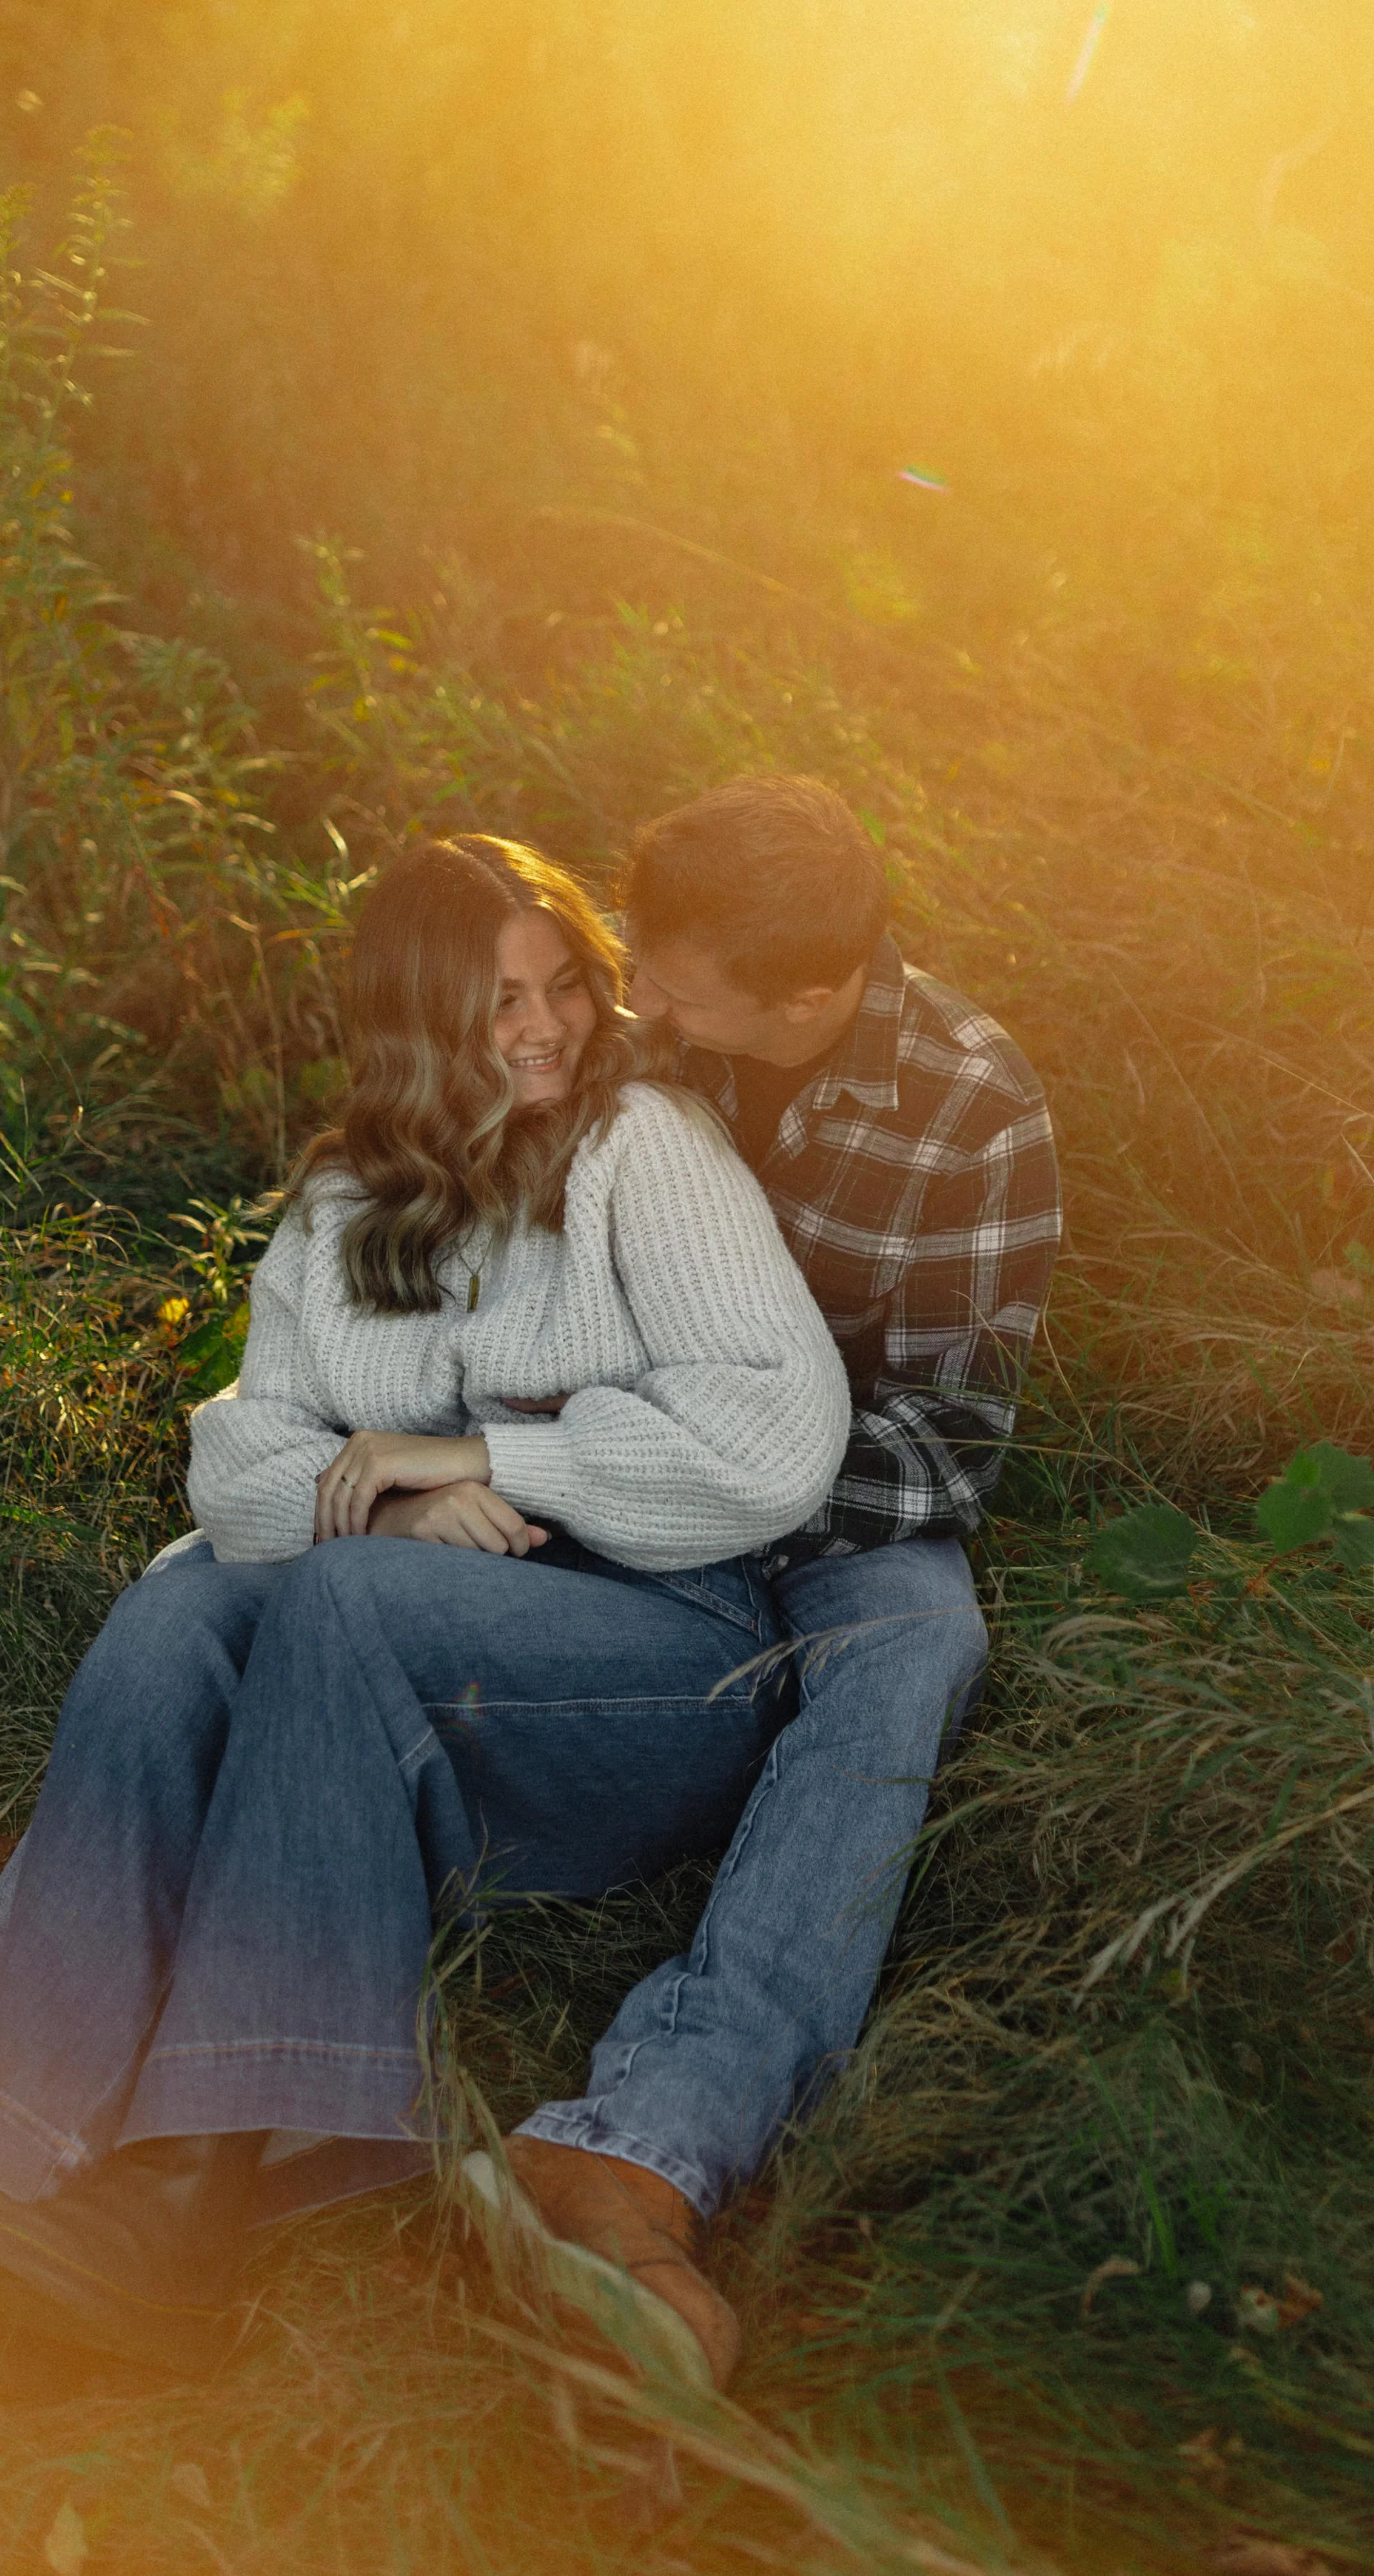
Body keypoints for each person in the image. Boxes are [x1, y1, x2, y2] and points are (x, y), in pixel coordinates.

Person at [0, 831, 851, 2389]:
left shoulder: (644, 1147)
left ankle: (202, 2182)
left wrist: (493, 1457)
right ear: (418, 1021)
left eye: (562, 985)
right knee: (177, 1615)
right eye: (497, 1002)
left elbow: (779, 1437)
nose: (545, 1029)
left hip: (660, 1659)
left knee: (342, 1595)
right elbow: (241, 1463)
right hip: (414, 1652)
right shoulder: (353, 1196)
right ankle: (7, 2148)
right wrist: (403, 1509)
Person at [489, 776, 1060, 2353]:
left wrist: (722, 1498)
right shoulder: (638, 1036)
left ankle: (639, 2147)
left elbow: (946, 1441)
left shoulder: (971, 1106)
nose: (638, 1006)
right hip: (604, 1442)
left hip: (837, 1500)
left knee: (919, 1644)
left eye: (673, 988)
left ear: (808, 997)